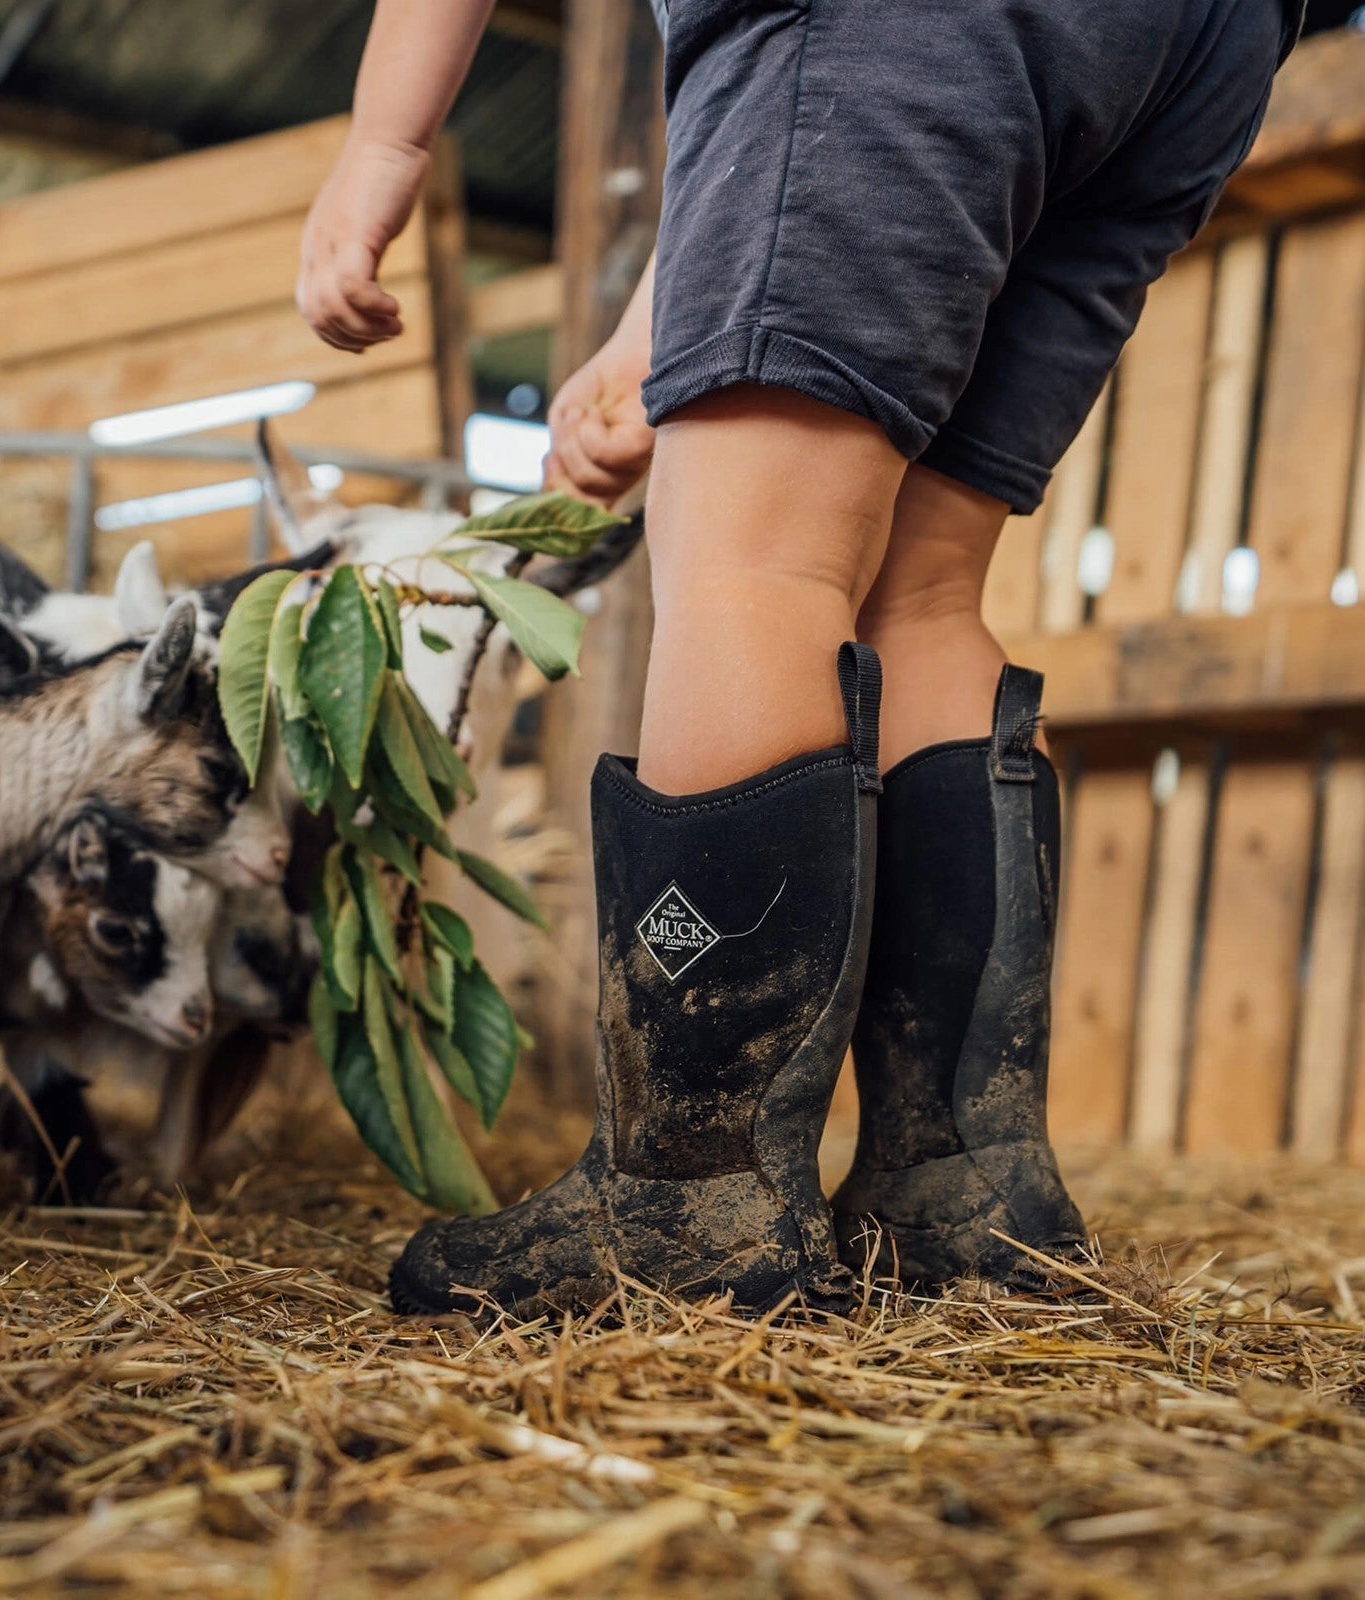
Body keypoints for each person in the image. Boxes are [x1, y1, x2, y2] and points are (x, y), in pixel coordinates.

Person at [300, 0, 1303, 1316]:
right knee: (918, 591)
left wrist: (383, 146)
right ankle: (963, 1193)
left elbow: (823, 69)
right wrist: (668, 317)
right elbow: (791, 131)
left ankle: (688, 1202)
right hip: (1186, 45)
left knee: (755, 564)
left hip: (901, 31)